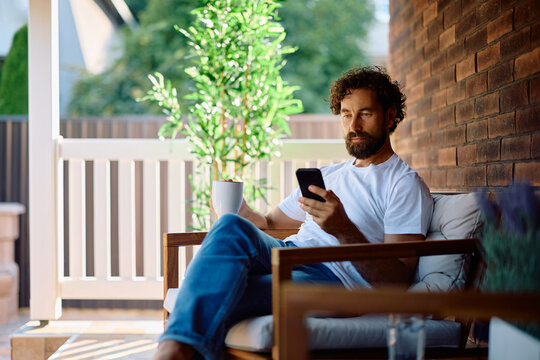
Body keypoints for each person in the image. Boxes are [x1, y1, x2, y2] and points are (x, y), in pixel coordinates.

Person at [154, 66, 433, 360]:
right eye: (346, 114)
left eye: (365, 113)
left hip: (335, 281)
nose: (354, 126)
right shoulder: (330, 174)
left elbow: (397, 282)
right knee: (230, 226)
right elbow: (269, 223)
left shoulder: (404, 184)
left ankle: (171, 352)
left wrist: (342, 229)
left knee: (214, 293)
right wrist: (238, 206)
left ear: (390, 116)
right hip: (288, 254)